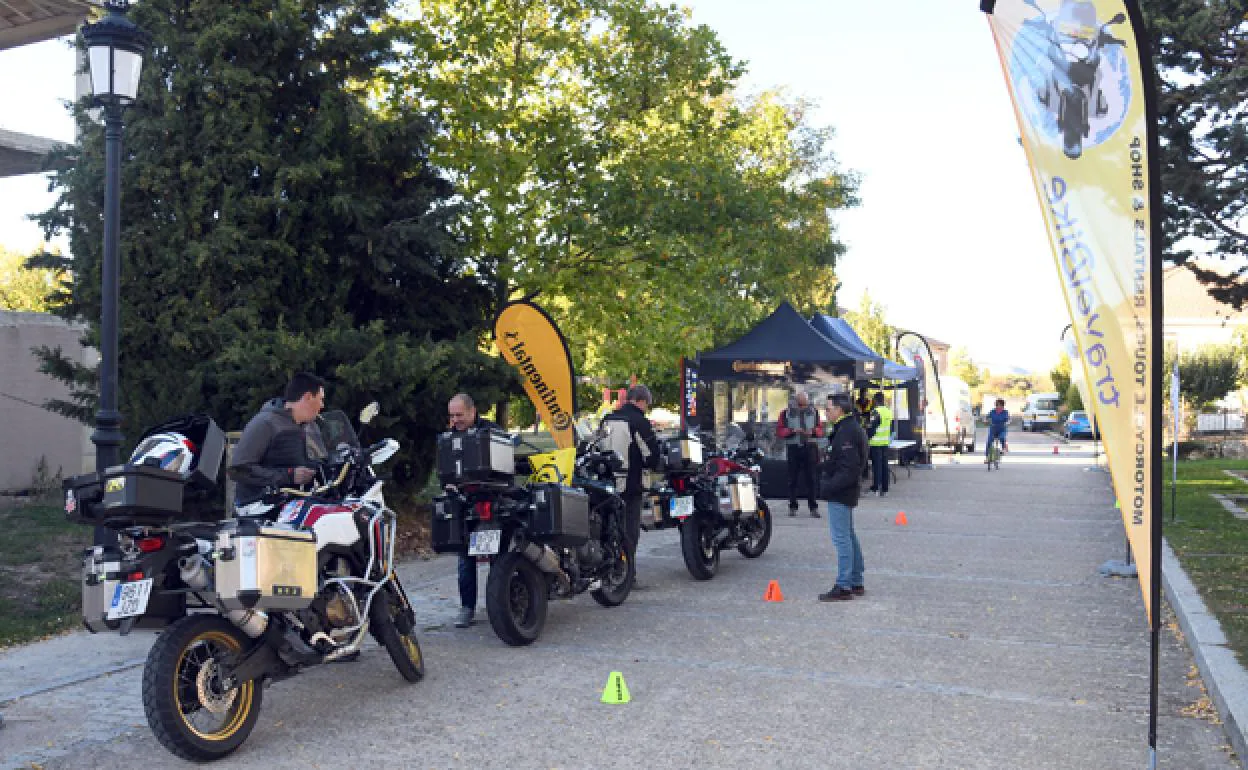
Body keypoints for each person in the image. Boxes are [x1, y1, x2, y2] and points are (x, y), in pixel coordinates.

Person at [228, 372, 327, 509]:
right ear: (308, 397)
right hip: (258, 509)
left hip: (293, 506)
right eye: (320, 399)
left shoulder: (311, 426)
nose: (322, 405)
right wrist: (289, 476)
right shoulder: (265, 423)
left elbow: (318, 460)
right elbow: (238, 469)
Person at [447, 392, 499, 628]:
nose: (455, 420)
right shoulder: (449, 438)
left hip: (494, 499)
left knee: (499, 556)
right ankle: (467, 608)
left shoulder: (491, 432)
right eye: (452, 415)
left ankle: (501, 604)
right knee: (465, 557)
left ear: (472, 412)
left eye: (459, 415)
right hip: (464, 501)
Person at [601, 384, 661, 568]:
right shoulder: (639, 422)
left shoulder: (607, 419)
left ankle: (607, 566)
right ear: (642, 401)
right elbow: (651, 455)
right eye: (647, 405)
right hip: (630, 483)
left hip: (605, 483)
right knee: (629, 529)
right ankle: (627, 571)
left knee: (608, 526)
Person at [818, 393, 868, 601]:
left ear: (840, 409)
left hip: (841, 491)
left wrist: (828, 487)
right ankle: (855, 580)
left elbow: (849, 468)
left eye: (828, 408)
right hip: (844, 489)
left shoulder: (847, 431)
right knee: (848, 534)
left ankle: (844, 584)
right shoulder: (846, 428)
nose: (826, 412)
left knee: (841, 538)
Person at [776, 390, 823, 518]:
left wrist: (812, 432)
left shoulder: (814, 412)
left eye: (805, 400)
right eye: (800, 400)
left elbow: (820, 429)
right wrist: (792, 431)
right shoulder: (786, 413)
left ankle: (813, 507)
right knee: (792, 479)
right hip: (793, 448)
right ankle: (792, 506)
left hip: (810, 448)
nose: (803, 402)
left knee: (811, 479)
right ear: (797, 400)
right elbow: (780, 431)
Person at [867, 391, 893, 497]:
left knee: (876, 466)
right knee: (884, 466)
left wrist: (867, 437)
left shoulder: (875, 412)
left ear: (875, 400)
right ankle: (885, 489)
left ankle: (876, 488)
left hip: (875, 443)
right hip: (885, 442)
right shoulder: (888, 411)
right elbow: (890, 428)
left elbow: (871, 428)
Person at [858, 395, 879, 482]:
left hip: (873, 440)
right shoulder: (886, 411)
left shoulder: (874, 411)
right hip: (880, 440)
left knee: (868, 457)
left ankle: (873, 481)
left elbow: (871, 425)